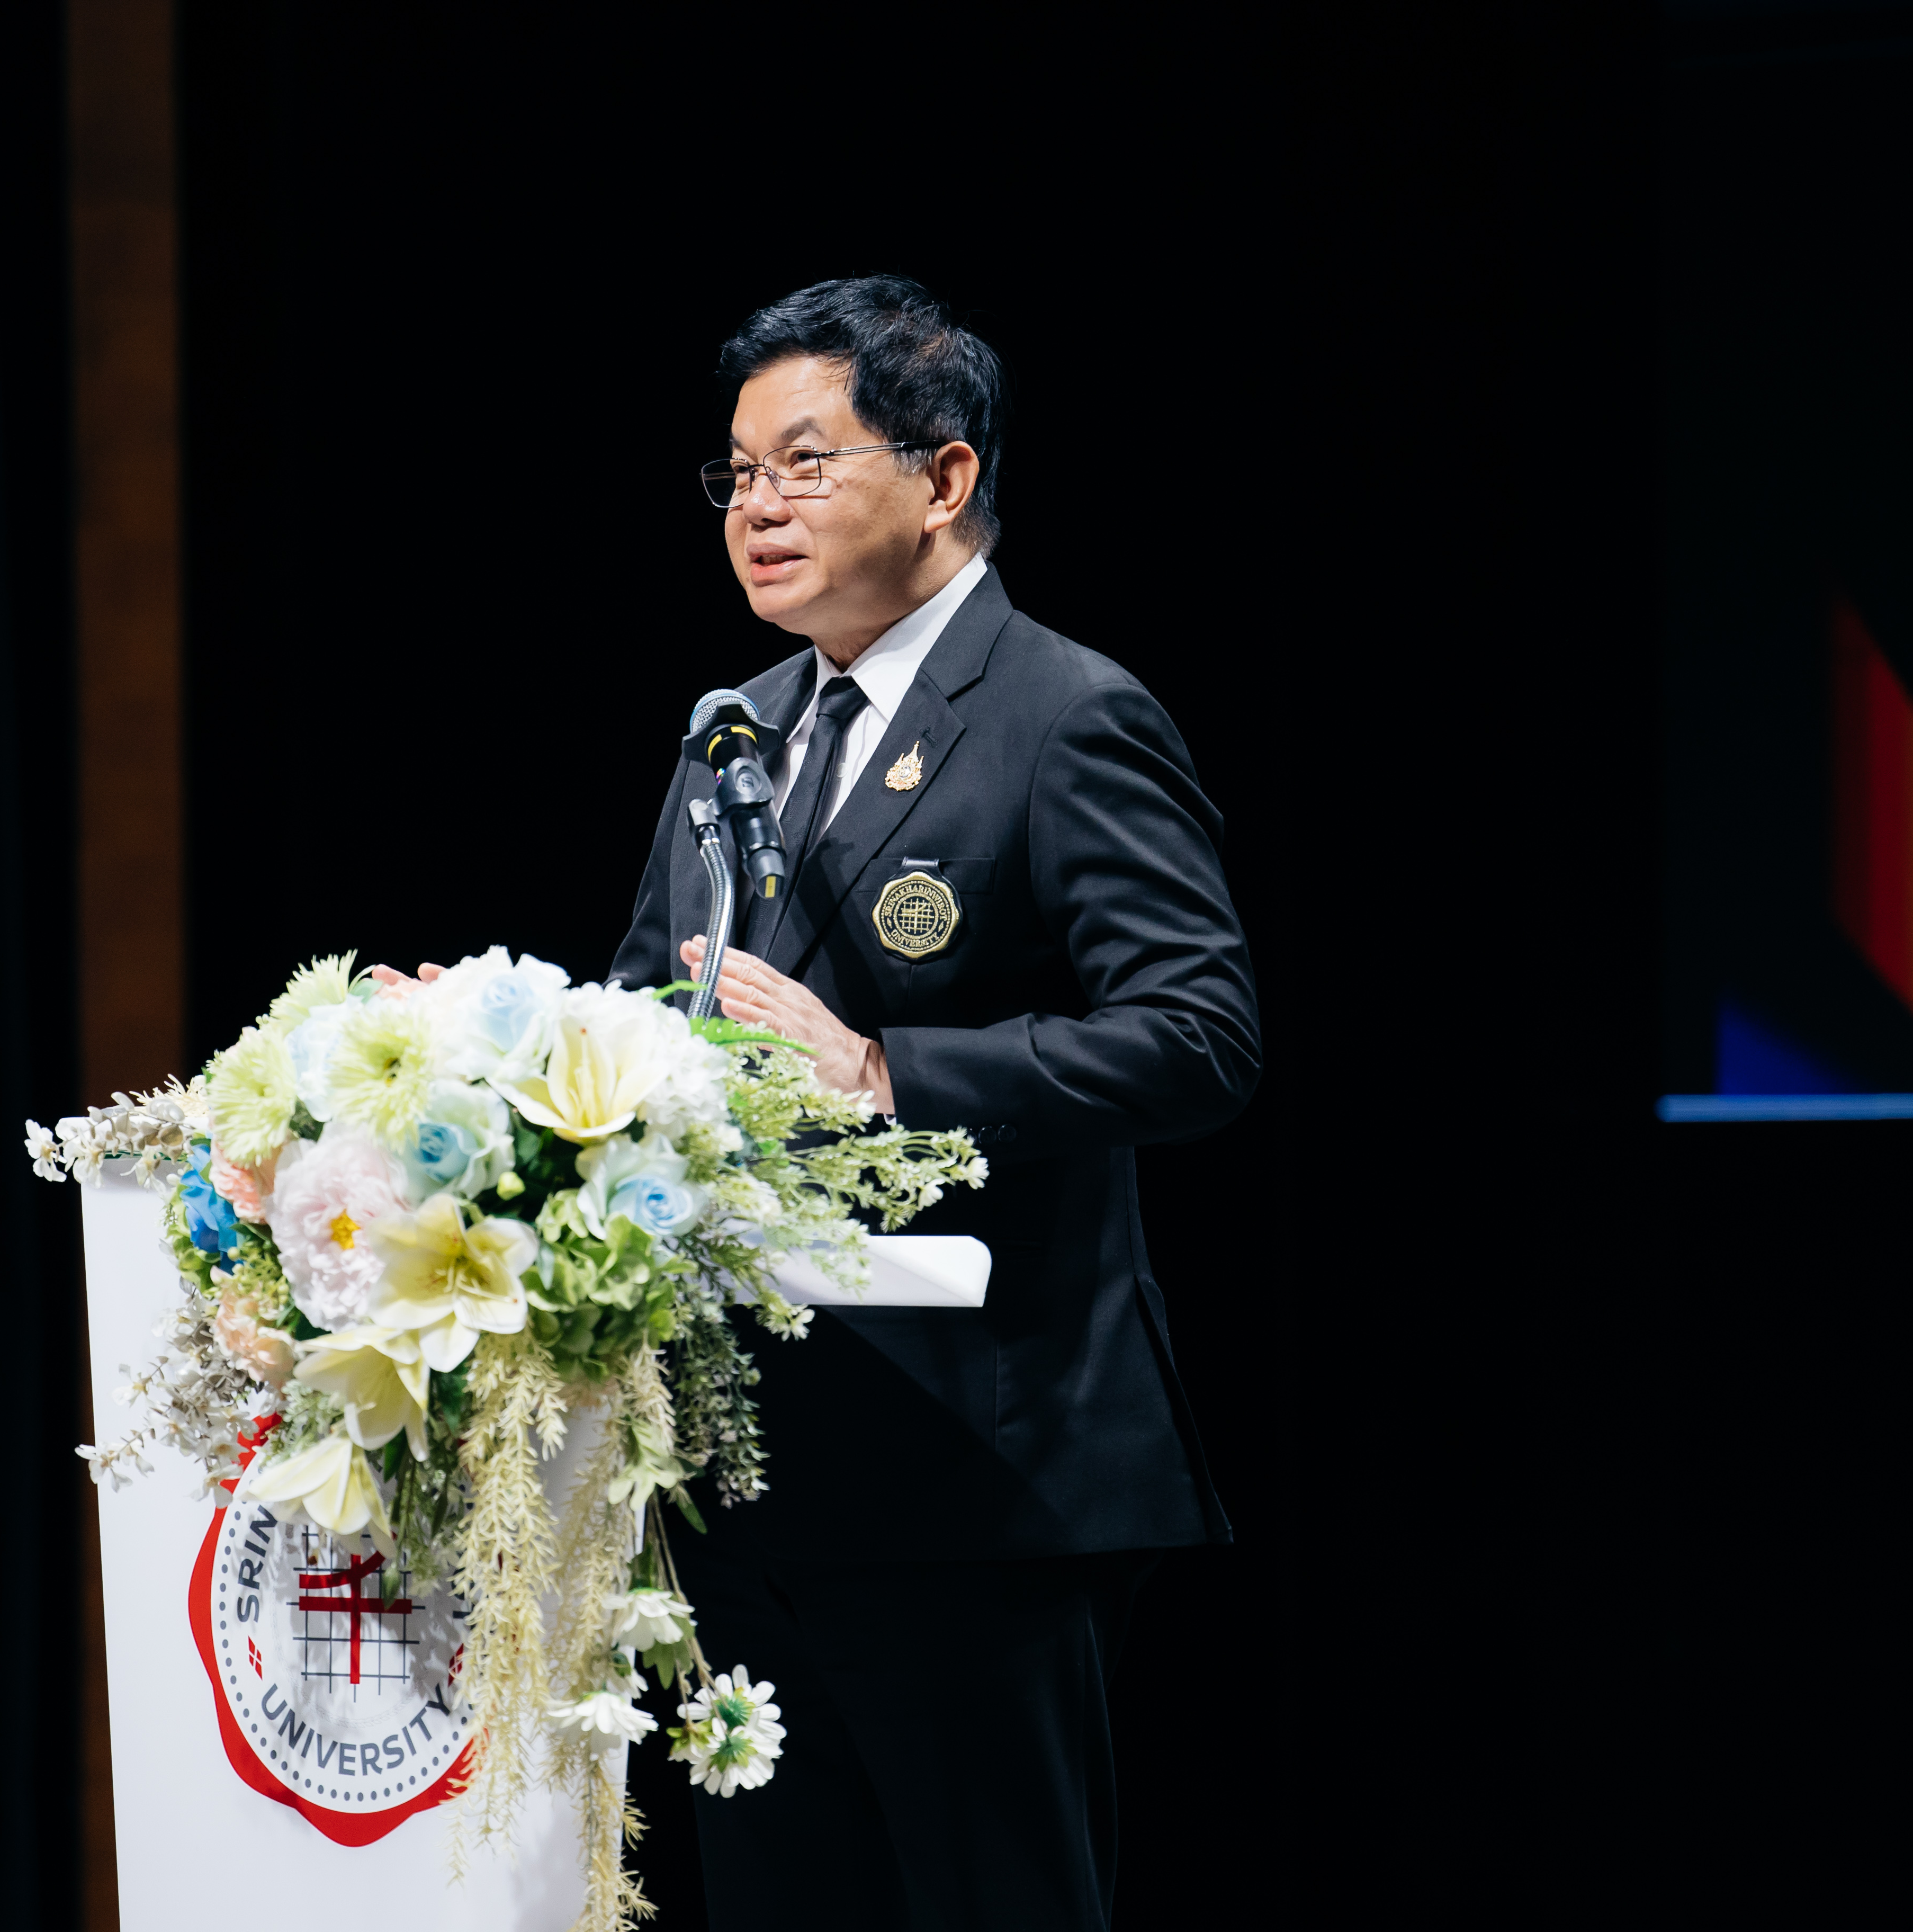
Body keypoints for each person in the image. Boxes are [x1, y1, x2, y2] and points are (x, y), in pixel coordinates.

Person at [605, 276, 1261, 1930]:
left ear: (946, 478)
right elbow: (652, 1016)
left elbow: (1200, 1036)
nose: (758, 508)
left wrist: (890, 1071)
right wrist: (508, 1051)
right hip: (759, 1481)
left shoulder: (1066, 716)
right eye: (737, 475)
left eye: (804, 463)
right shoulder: (733, 736)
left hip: (984, 1475)